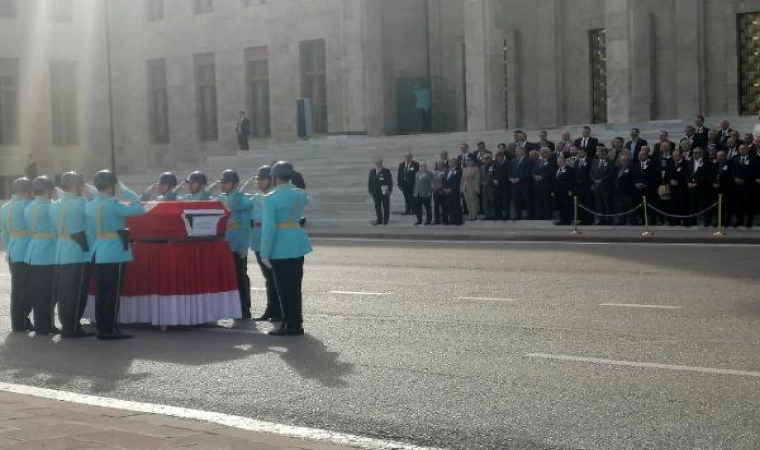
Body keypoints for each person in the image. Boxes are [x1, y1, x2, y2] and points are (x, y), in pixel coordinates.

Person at [85, 170, 146, 340]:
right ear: (111, 186)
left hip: (98, 250)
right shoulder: (113, 205)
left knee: (101, 292)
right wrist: (124, 189)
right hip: (115, 253)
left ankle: (102, 328)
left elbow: (90, 232)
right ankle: (110, 329)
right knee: (112, 293)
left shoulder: (90, 206)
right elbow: (139, 208)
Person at [260, 161, 312, 336]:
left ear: (274, 178)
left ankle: (289, 323)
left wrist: (265, 252)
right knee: (295, 286)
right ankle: (297, 322)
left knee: (283, 287)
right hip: (297, 242)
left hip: (280, 246)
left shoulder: (270, 198)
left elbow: (268, 228)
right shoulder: (299, 194)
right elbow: (306, 198)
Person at [51, 172, 94, 338]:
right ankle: (73, 327)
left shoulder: (55, 204)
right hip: (78, 252)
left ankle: (66, 325)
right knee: (78, 292)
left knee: (64, 292)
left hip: (61, 251)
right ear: (76, 186)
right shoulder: (81, 203)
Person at [217, 170, 253, 319]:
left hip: (237, 245)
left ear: (235, 184)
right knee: (228, 278)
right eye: (222, 183)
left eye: (226, 182)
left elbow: (245, 225)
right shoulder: (220, 198)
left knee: (240, 277)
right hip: (224, 244)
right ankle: (232, 308)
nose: (223, 185)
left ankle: (244, 308)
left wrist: (244, 245)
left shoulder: (244, 200)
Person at [24, 176, 58, 335]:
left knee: (38, 290)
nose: (53, 192)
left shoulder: (29, 207)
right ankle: (46, 325)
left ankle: (41, 324)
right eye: (51, 189)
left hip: (33, 250)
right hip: (48, 252)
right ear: (46, 191)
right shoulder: (51, 207)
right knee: (50, 292)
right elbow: (55, 231)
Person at [0, 178, 33, 332]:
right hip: (27, 251)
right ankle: (23, 318)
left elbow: (3, 232)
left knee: (17, 289)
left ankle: (18, 323)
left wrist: (9, 245)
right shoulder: (29, 205)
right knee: (30, 288)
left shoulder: (5, 207)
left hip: (12, 250)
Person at [250, 166, 281, 322]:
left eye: (262, 179)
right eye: (258, 179)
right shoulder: (256, 197)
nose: (259, 182)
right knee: (268, 278)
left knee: (276, 277)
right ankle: (271, 309)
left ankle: (278, 310)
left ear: (270, 180)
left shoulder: (274, 196)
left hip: (271, 241)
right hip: (258, 240)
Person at [633, 147, 659, 225]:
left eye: (642, 155)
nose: (640, 157)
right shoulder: (636, 164)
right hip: (638, 191)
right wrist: (636, 184)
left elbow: (655, 177)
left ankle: (653, 222)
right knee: (640, 208)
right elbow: (633, 177)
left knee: (651, 208)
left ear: (647, 155)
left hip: (649, 190)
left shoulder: (652, 164)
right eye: (639, 155)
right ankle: (643, 221)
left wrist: (646, 185)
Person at [731, 145, 755, 228]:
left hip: (748, 186)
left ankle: (749, 221)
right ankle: (739, 220)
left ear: (747, 150)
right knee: (738, 204)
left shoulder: (752, 160)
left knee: (749, 204)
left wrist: (744, 180)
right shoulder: (735, 159)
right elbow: (732, 172)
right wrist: (735, 179)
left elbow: (753, 173)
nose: (742, 150)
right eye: (740, 149)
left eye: (744, 149)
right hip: (737, 186)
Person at [590, 147, 615, 225]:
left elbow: (611, 173)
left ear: (606, 154)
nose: (601, 155)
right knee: (598, 204)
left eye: (603, 153)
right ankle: (600, 219)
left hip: (605, 186)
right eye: (600, 153)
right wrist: (594, 180)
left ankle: (608, 219)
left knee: (606, 203)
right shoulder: (595, 161)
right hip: (596, 186)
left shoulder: (610, 162)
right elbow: (591, 172)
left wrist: (602, 180)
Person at [687, 148, 710, 227]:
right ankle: (692, 222)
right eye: (693, 152)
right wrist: (688, 182)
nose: (694, 154)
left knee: (704, 205)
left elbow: (706, 175)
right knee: (692, 205)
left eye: (696, 153)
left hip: (702, 188)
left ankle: (707, 222)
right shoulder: (690, 162)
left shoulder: (706, 162)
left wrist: (697, 183)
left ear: (701, 154)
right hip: (691, 187)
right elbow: (686, 173)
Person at [665, 149, 689, 225]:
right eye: (674, 156)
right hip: (672, 189)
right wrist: (670, 180)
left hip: (683, 189)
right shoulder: (670, 164)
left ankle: (685, 221)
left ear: (681, 155)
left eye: (677, 156)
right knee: (674, 205)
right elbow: (667, 175)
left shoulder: (686, 164)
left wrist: (679, 182)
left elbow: (687, 176)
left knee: (683, 205)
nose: (675, 157)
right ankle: (676, 221)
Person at [532, 147, 556, 220]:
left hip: (546, 185)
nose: (542, 153)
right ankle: (539, 216)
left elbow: (551, 171)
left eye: (544, 152)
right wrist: (534, 176)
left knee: (546, 201)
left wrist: (541, 176)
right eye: (541, 152)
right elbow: (534, 170)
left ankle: (547, 216)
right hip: (538, 185)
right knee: (538, 201)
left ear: (548, 153)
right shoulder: (538, 161)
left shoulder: (551, 161)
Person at [510, 147, 533, 220]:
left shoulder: (528, 160)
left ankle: (529, 215)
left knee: (527, 201)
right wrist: (510, 178)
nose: (516, 152)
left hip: (524, 184)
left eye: (518, 151)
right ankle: (518, 215)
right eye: (516, 151)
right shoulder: (513, 161)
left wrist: (519, 178)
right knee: (516, 201)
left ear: (522, 151)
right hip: (515, 185)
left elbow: (528, 172)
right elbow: (510, 171)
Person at [712, 151, 733, 227]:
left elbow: (730, 177)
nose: (719, 158)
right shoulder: (714, 165)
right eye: (718, 156)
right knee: (717, 207)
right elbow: (711, 176)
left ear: (725, 156)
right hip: (715, 190)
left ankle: (727, 221)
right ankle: (718, 221)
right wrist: (713, 183)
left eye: (721, 156)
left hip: (726, 189)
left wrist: (720, 185)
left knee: (726, 206)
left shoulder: (730, 164)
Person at [368, 158, 392, 225]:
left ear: (382, 163)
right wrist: (370, 190)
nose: (378, 164)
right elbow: (370, 181)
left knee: (386, 206)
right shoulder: (372, 171)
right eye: (377, 163)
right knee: (377, 207)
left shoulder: (386, 171)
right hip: (375, 192)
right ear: (375, 163)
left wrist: (389, 190)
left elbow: (390, 181)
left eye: (380, 162)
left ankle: (386, 220)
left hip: (384, 191)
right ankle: (379, 220)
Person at [613, 155, 636, 225]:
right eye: (622, 160)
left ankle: (631, 221)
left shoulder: (632, 170)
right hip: (618, 193)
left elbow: (632, 181)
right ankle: (621, 220)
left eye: (625, 160)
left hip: (627, 193)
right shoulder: (617, 170)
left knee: (629, 207)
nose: (624, 162)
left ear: (629, 162)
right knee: (619, 207)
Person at [553, 156, 575, 226]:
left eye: (560, 161)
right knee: (560, 206)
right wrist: (553, 191)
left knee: (567, 206)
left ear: (564, 161)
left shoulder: (569, 169)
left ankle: (567, 221)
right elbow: (554, 181)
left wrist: (571, 190)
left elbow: (572, 181)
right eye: (558, 162)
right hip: (558, 192)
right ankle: (562, 220)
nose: (559, 163)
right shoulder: (557, 169)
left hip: (566, 191)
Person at [574, 147, 593, 225]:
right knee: (580, 203)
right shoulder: (576, 161)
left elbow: (591, 172)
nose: (579, 154)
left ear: (585, 153)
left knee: (588, 203)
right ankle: (582, 219)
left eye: (581, 152)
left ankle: (589, 219)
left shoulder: (590, 161)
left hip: (587, 185)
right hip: (578, 186)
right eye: (578, 152)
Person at [442, 157, 462, 225]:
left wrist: (450, 189)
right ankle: (452, 220)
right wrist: (444, 188)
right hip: (447, 192)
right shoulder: (447, 170)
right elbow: (444, 180)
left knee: (456, 206)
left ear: (455, 163)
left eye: (452, 162)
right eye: (449, 162)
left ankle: (458, 221)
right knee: (449, 207)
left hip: (454, 191)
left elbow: (457, 181)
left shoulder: (458, 170)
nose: (450, 163)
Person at [413, 161, 433, 225]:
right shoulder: (417, 173)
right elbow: (416, 183)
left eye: (423, 166)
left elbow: (431, 184)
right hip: (418, 193)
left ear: (426, 166)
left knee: (427, 207)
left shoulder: (429, 173)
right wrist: (415, 192)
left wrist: (430, 192)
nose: (421, 167)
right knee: (418, 208)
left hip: (426, 193)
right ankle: (419, 220)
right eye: (420, 166)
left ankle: (428, 220)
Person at [461, 156, 480, 221]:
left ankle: (474, 215)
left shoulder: (475, 169)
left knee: (473, 201)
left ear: (472, 162)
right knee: (467, 202)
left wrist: (477, 188)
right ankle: (470, 214)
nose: (468, 162)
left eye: (469, 161)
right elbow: (463, 179)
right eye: (467, 161)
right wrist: (461, 188)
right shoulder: (464, 169)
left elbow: (477, 179)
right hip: (465, 187)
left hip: (472, 186)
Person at [494, 152, 511, 220]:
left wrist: (499, 180)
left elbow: (507, 173)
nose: (498, 159)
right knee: (498, 201)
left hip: (505, 184)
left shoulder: (508, 163)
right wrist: (494, 179)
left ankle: (507, 215)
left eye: (500, 157)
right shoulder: (495, 164)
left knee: (506, 201)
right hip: (497, 185)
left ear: (503, 157)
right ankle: (499, 215)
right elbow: (493, 173)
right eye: (497, 158)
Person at [480, 153, 496, 220]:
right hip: (484, 187)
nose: (486, 159)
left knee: (492, 201)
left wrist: (489, 182)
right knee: (485, 201)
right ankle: (488, 215)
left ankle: (494, 215)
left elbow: (495, 175)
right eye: (484, 158)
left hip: (491, 186)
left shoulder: (493, 165)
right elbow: (480, 177)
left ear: (490, 158)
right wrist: (482, 182)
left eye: (487, 158)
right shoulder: (482, 167)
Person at [431, 160, 446, 225]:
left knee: (444, 206)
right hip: (435, 192)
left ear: (443, 165)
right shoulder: (435, 172)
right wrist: (434, 187)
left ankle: (444, 220)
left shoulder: (446, 172)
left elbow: (445, 182)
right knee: (436, 206)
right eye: (438, 165)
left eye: (440, 164)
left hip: (442, 191)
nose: (439, 166)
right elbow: (432, 181)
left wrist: (439, 188)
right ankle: (437, 220)